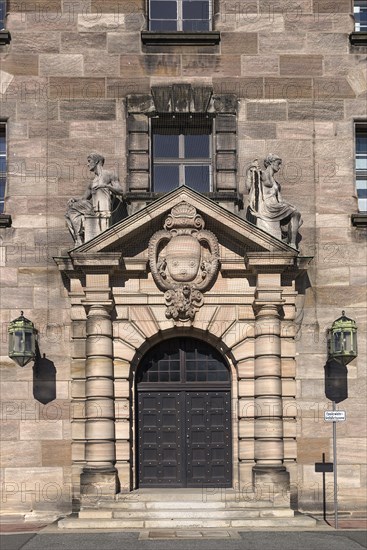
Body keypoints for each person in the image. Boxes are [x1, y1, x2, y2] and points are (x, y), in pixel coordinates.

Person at [246, 154, 302, 248]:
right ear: (271, 163)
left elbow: (280, 200)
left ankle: (289, 242)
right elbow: (249, 186)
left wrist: (291, 206)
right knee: (295, 212)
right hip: (267, 206)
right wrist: (250, 169)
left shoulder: (276, 183)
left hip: (275, 205)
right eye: (278, 163)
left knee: (298, 216)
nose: (280, 167)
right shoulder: (263, 174)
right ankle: (291, 243)